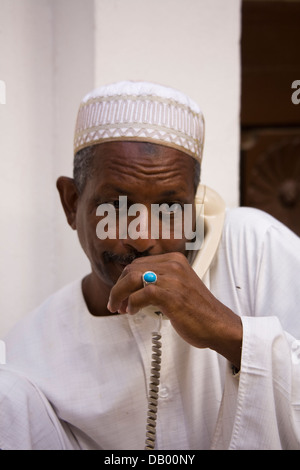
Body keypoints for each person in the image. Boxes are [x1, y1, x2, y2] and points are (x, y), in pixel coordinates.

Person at [1, 80, 300, 450]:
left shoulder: (254, 247)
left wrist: (231, 334)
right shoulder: (27, 355)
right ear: (72, 202)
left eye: (170, 209)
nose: (143, 237)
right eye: (119, 206)